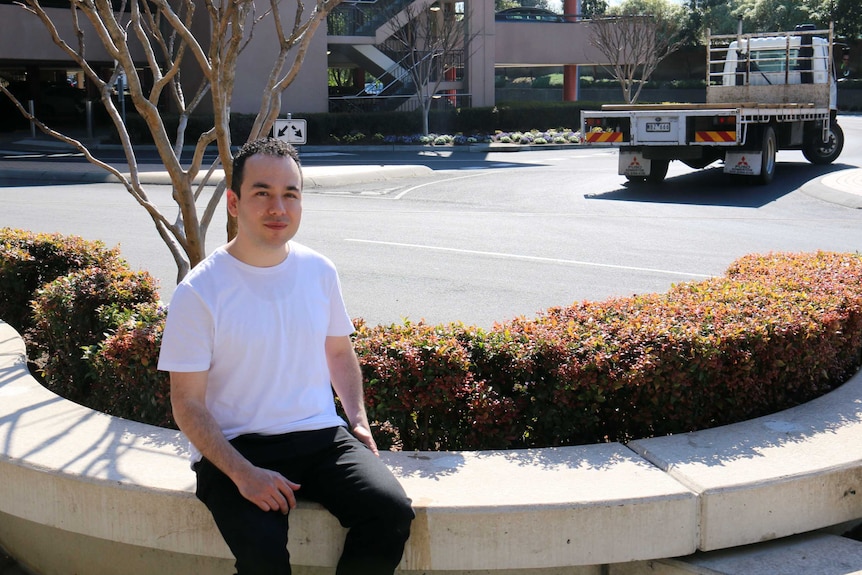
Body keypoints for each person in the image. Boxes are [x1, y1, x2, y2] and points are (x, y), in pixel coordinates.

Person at [157, 137, 414, 575]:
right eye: (262, 193)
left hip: (319, 436)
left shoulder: (319, 270)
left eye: (290, 194)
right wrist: (243, 473)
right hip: (237, 445)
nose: (279, 207)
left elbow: (337, 351)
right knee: (264, 556)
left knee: (389, 513)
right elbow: (187, 403)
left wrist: (357, 419)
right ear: (235, 203)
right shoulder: (200, 292)